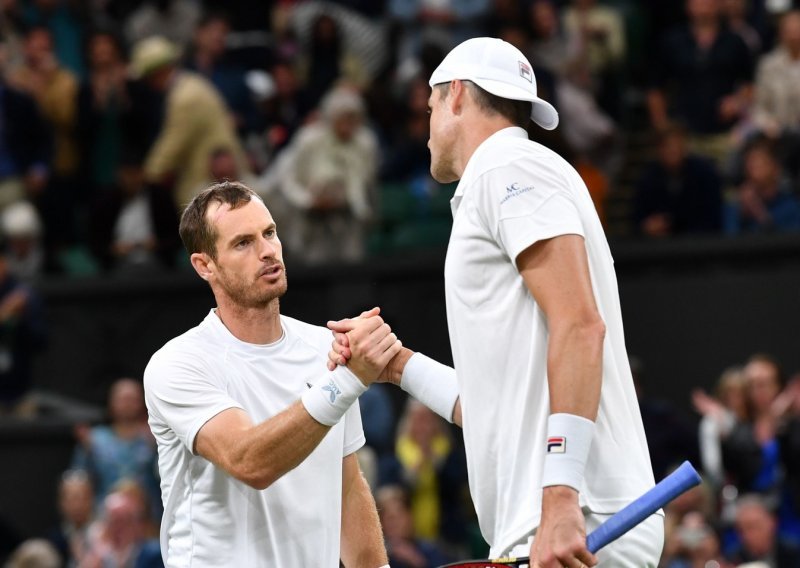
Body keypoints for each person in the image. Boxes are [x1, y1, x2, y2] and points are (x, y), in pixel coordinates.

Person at [330, 37, 662, 567]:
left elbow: (580, 326)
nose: (428, 121)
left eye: (432, 103)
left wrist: (559, 498)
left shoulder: (507, 166)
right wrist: (399, 366)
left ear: (456, 94)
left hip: (576, 520)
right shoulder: (509, 174)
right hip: (564, 520)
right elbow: (493, 408)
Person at [143, 181, 399, 566]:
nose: (267, 251)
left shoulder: (323, 348)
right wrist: (347, 381)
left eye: (270, 233)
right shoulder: (178, 363)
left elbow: (347, 487)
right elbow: (250, 462)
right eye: (243, 243)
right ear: (204, 266)